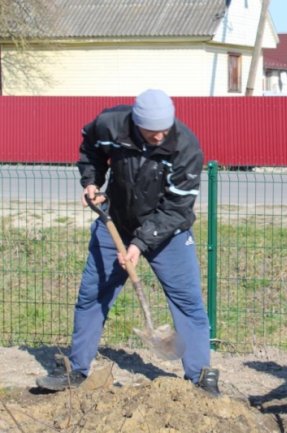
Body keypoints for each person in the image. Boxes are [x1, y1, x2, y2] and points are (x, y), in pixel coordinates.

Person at [36, 89, 219, 396]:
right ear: (136, 123)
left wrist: (139, 245)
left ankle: (201, 378)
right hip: (115, 225)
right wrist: (91, 182)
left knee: (188, 303)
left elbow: (177, 208)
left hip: (168, 234)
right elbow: (90, 148)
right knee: (92, 295)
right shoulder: (111, 125)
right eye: (152, 131)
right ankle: (76, 369)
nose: (160, 135)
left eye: (165, 129)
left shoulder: (185, 147)